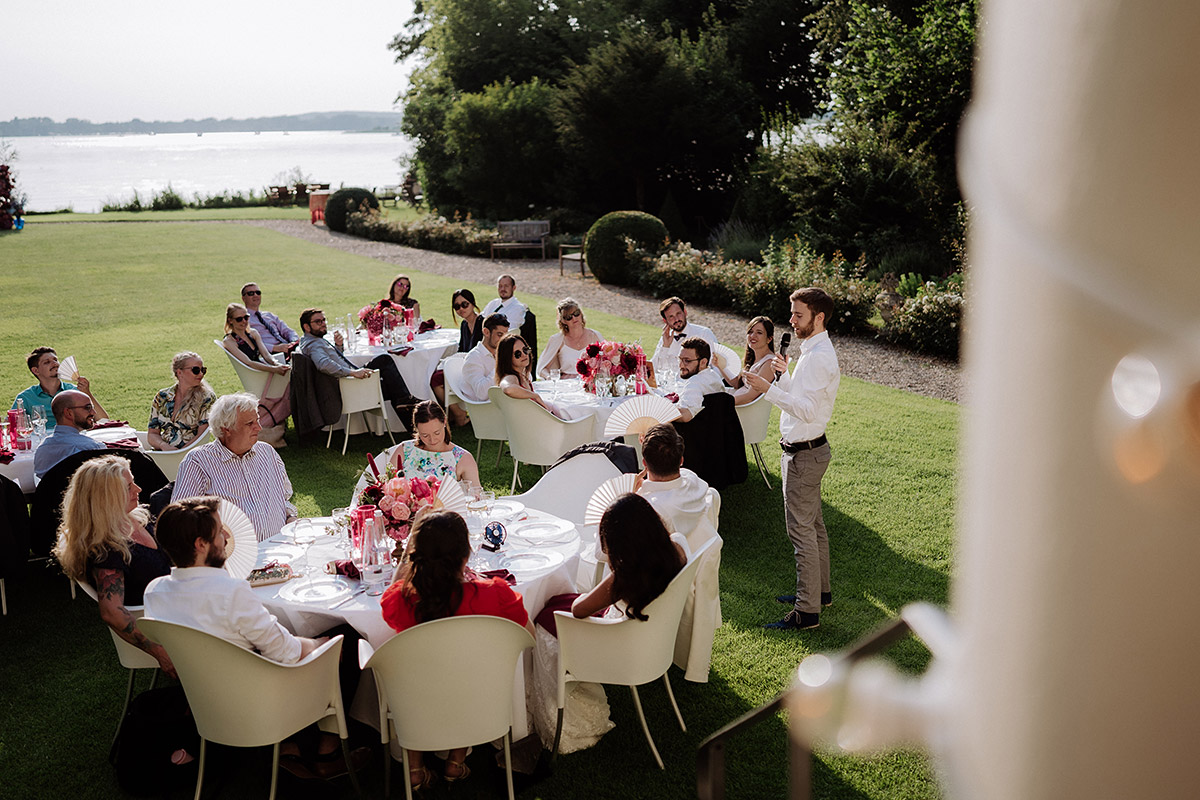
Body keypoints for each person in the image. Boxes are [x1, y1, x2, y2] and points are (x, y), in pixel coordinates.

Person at [145, 497, 369, 780]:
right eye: (219, 532)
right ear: (200, 545)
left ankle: (293, 746)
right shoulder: (231, 592)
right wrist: (322, 644)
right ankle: (326, 751)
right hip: (263, 702)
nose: (227, 537)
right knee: (346, 638)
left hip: (205, 701)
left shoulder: (155, 592)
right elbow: (285, 652)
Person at [380, 511, 534, 789]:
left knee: (417, 679)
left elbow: (389, 597)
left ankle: (414, 768)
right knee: (468, 671)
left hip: (417, 701)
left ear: (418, 558)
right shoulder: (495, 594)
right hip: (478, 695)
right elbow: (528, 636)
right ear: (466, 554)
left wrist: (405, 560)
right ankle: (455, 761)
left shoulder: (401, 600)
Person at [530, 493, 688, 752]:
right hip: (650, 635)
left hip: (617, 645)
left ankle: (561, 710)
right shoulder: (676, 548)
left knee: (544, 618)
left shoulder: (625, 578)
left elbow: (579, 610)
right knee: (556, 602)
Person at [742, 288, 841, 631]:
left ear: (819, 318)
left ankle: (806, 611)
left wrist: (766, 387)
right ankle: (821, 594)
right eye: (792, 313)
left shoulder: (817, 357)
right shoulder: (811, 350)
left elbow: (808, 409)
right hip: (810, 450)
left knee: (801, 532)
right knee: (814, 526)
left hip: (804, 456)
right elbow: (800, 396)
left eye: (799, 315)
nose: (792, 320)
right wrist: (784, 376)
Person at [53, 455, 175, 678]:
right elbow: (111, 612)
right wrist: (160, 652)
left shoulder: (136, 518)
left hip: (180, 605)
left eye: (133, 482)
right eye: (128, 487)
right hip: (167, 625)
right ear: (105, 498)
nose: (138, 489)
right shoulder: (106, 550)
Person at [173, 393, 297, 541]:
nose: (259, 428)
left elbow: (283, 498)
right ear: (226, 429)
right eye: (250, 423)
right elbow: (181, 520)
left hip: (279, 550)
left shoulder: (267, 452)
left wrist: (290, 517)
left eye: (257, 420)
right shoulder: (198, 462)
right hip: (233, 559)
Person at [297, 307, 420, 428]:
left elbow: (330, 361)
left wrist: (338, 347)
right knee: (391, 379)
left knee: (385, 365)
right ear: (306, 327)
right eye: (318, 322)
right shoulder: (314, 345)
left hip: (349, 383)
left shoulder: (310, 340)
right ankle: (411, 418)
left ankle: (407, 409)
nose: (323, 324)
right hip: (351, 389)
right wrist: (352, 372)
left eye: (324, 320)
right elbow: (323, 364)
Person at [634, 423, 711, 540]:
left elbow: (604, 552)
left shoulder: (647, 508)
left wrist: (631, 495)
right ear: (681, 460)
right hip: (696, 550)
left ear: (644, 463)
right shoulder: (692, 480)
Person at [386, 401, 481, 486]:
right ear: (416, 428)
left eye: (437, 433)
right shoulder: (405, 450)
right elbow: (386, 485)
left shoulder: (462, 458)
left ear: (444, 421)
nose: (432, 440)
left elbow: (477, 496)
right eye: (425, 435)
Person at [13, 346, 108, 430]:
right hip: (43, 442)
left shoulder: (75, 392)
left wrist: (87, 393)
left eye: (55, 360)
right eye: (47, 362)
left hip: (74, 439)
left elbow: (104, 421)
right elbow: (13, 426)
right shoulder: (25, 398)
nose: (55, 364)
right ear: (36, 370)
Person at [147, 352, 216, 451]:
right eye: (196, 370)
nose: (201, 374)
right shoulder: (162, 396)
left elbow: (201, 437)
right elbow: (152, 433)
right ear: (180, 372)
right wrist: (163, 446)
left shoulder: (207, 398)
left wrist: (178, 454)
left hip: (191, 455)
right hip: (162, 452)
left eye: (203, 370)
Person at [33, 390, 104, 479]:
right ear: (68, 413)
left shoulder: (42, 450)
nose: (94, 412)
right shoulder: (92, 448)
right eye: (88, 407)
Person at [496, 332, 564, 418]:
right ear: (507, 358)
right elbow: (508, 388)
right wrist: (534, 396)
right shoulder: (511, 377)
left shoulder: (523, 376)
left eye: (525, 350)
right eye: (518, 354)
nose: (524, 355)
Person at [536, 297, 603, 379]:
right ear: (563, 321)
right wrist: (549, 377)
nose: (574, 318)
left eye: (576, 313)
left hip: (591, 382)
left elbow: (607, 361)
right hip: (566, 385)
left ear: (581, 314)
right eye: (568, 317)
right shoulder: (557, 340)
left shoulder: (595, 336)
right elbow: (541, 369)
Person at [651, 297, 716, 377]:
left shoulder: (704, 333)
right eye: (671, 316)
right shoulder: (665, 338)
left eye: (678, 313)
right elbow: (654, 369)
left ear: (685, 312)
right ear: (665, 321)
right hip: (671, 387)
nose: (676, 319)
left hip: (696, 386)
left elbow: (715, 367)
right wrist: (666, 346)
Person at [221, 303, 290, 376]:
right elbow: (248, 363)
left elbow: (266, 355)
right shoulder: (229, 341)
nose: (244, 321)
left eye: (246, 317)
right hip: (253, 375)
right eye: (239, 319)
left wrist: (277, 364)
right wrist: (274, 369)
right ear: (230, 320)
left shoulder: (253, 333)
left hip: (263, 370)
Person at [670, 338, 726, 423]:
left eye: (687, 361)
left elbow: (685, 416)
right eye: (680, 359)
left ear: (703, 362)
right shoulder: (714, 376)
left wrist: (662, 410)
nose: (680, 365)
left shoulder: (695, 382)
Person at [458, 313, 509, 403]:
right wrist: (501, 366)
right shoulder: (474, 357)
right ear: (486, 332)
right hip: (484, 408)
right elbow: (482, 393)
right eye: (499, 335)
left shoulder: (502, 352)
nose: (503, 340)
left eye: (505, 335)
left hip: (504, 402)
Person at [728, 316, 777, 406]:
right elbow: (736, 384)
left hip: (743, 410)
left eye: (759, 333)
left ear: (769, 339)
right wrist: (719, 364)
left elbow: (750, 396)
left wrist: (722, 403)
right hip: (735, 404)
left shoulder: (769, 363)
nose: (752, 336)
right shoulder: (753, 358)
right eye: (750, 332)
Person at [241, 283, 299, 358]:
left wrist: (293, 342)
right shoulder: (243, 320)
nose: (255, 295)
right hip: (270, 354)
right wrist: (275, 348)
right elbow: (249, 343)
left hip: (288, 348)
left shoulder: (268, 315)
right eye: (251, 293)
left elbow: (287, 330)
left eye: (258, 293)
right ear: (243, 298)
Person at [452, 289, 483, 353]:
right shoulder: (464, 324)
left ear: (473, 303)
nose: (461, 309)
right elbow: (461, 349)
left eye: (465, 304)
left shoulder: (483, 324)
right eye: (457, 306)